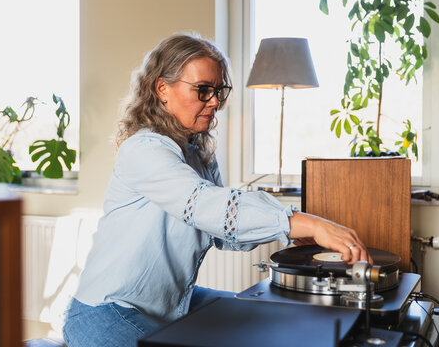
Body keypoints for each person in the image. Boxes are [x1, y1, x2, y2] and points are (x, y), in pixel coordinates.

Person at [62, 32, 371, 346]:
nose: (214, 102)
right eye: (203, 90)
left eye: (218, 91)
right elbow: (206, 205)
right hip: (107, 311)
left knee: (266, 318)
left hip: (171, 307)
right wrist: (301, 222)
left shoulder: (196, 155)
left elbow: (221, 231)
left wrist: (285, 230)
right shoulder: (142, 149)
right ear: (162, 89)